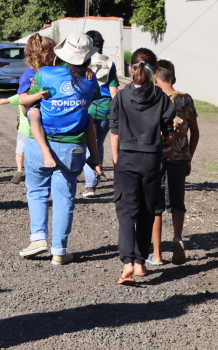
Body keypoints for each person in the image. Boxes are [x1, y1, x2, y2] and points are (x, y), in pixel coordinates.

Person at [17, 33, 100, 265]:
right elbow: (89, 108)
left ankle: (38, 238)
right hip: (74, 147)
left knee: (37, 191)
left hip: (41, 142)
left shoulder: (43, 74)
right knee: (65, 199)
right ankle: (59, 251)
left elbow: (29, 105)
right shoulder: (90, 79)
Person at [109, 48, 176, 286]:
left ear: (130, 68)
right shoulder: (161, 97)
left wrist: (116, 158)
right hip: (151, 160)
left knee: (126, 212)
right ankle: (139, 263)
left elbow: (114, 130)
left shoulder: (121, 97)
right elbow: (168, 133)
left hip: (126, 158)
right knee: (148, 211)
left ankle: (127, 263)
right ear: (154, 70)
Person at [148, 59, 199, 266]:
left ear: (155, 79)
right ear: (174, 79)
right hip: (179, 159)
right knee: (177, 202)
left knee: (156, 206)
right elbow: (195, 133)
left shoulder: (152, 97)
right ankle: (178, 239)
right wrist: (188, 156)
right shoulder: (186, 99)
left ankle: (157, 253)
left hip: (155, 159)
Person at [9, 34, 56, 184]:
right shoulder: (28, 75)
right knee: (34, 113)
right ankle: (44, 151)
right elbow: (22, 100)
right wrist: (37, 96)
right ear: (48, 55)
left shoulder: (55, 70)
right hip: (36, 111)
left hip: (52, 115)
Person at [82, 30, 120, 198]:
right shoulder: (109, 64)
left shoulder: (81, 63)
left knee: (89, 145)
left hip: (87, 109)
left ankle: (90, 184)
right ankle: (94, 178)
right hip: (106, 110)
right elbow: (114, 91)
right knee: (97, 144)